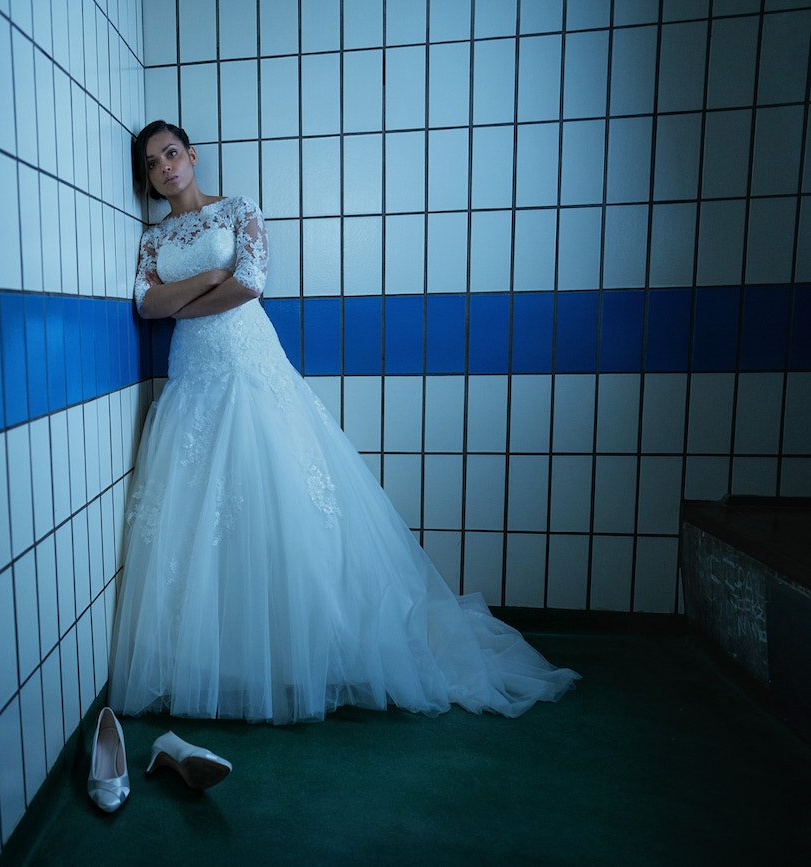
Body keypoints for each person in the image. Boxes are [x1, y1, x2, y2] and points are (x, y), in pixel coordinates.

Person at [108, 120, 579, 727]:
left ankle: (305, 655)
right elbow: (148, 306)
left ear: (192, 155)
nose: (165, 168)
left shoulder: (239, 209)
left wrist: (192, 295)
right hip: (192, 376)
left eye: (172, 154)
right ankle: (215, 665)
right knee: (195, 516)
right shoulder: (154, 239)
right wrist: (205, 278)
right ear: (145, 177)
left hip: (250, 366)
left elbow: (250, 284)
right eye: (151, 163)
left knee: (281, 505)